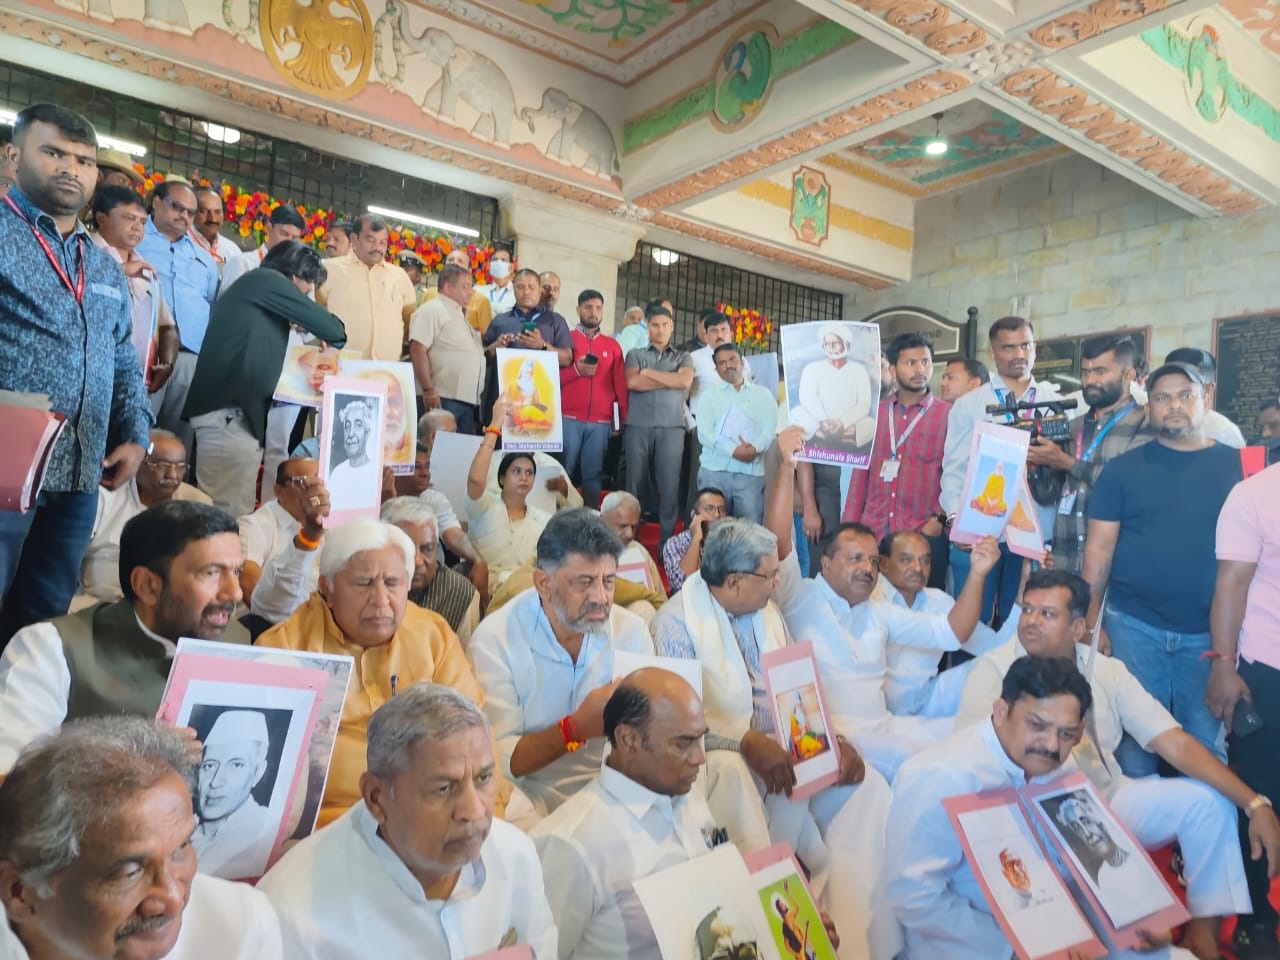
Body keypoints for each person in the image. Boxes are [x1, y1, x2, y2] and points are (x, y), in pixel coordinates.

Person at [957, 570, 1278, 960]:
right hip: (1031, 819)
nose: (1030, 621)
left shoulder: (1107, 670)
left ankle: (1202, 934)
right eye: (1027, 609)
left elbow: (1173, 742)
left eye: (1047, 613)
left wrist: (1255, 803)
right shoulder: (994, 671)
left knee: (1207, 803)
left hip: (1108, 793)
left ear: (1078, 626)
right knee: (1130, 941)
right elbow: (975, 766)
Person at [649, 516, 902, 960]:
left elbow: (796, 691)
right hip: (717, 760)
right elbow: (673, 726)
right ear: (733, 581)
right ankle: (781, 917)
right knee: (736, 777)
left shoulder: (767, 613)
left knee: (869, 789)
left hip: (786, 750)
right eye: (770, 575)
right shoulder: (674, 624)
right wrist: (745, 742)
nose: (779, 583)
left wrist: (832, 741)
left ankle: (863, 941)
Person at [889, 656, 1201, 960]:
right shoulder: (940, 777)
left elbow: (1082, 855)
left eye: (1067, 734)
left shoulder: (1055, 765)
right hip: (977, 944)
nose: (1052, 745)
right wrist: (1014, 950)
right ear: (1000, 711)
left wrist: (1136, 915)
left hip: (1065, 928)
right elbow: (914, 897)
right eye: (1037, 725)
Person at [764, 428, 999, 782]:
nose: (867, 568)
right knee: (918, 761)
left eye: (873, 561)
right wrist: (786, 468)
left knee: (970, 734)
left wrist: (979, 574)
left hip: (886, 726)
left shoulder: (879, 611)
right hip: (834, 737)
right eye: (855, 558)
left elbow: (952, 633)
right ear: (825, 564)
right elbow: (778, 543)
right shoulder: (800, 596)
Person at [0, 103, 153, 642]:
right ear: (13, 157)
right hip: (4, 466)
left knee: (43, 617)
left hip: (78, 469)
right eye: (54, 153)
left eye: (84, 160)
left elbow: (121, 357)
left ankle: (17, 724)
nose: (71, 168)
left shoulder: (103, 262)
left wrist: (135, 432)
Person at [258, 683, 557, 958]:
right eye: (443, 788)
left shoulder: (516, 855)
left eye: (483, 778)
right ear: (376, 798)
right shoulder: (292, 913)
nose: (473, 811)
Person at [256, 519, 492, 826]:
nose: (381, 600)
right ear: (327, 587)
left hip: (434, 813)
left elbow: (475, 732)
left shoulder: (432, 634)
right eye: (365, 583)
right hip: (328, 824)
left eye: (393, 583)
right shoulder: (285, 648)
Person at [0, 717, 284, 959]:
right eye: (129, 873)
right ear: (19, 891)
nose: (173, 898)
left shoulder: (242, 935)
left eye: (181, 848)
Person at [0, 500, 249, 773]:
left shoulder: (238, 642)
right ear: (147, 585)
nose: (234, 593)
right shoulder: (51, 649)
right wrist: (123, 756)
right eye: (211, 572)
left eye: (236, 571)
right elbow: (9, 784)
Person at [1082, 362, 1243, 772]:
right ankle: (1142, 838)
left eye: (1185, 395)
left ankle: (1205, 833)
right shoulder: (1119, 472)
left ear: (1206, 398)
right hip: (1133, 627)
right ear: (1148, 406)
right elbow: (1098, 552)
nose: (1174, 405)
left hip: (1210, 635)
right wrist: (1089, 624)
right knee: (1134, 749)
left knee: (1207, 746)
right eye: (1162, 397)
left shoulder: (1241, 469)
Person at [469, 509, 653, 817]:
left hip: (614, 783)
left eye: (608, 581)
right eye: (584, 582)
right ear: (543, 583)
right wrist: (575, 728)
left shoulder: (632, 631)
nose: (601, 597)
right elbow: (501, 760)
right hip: (530, 793)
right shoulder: (494, 640)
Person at [530, 670, 726, 959]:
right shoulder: (572, 843)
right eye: (683, 744)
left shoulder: (688, 797)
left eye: (700, 740)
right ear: (629, 739)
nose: (700, 757)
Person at [183, 239, 346, 519]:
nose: (308, 293)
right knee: (225, 515)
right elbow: (333, 330)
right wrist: (309, 321)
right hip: (228, 416)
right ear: (295, 276)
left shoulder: (257, 291)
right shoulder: (266, 280)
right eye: (308, 286)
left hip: (233, 417)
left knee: (232, 509)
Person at [941, 316, 1060, 626]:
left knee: (1023, 618)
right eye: (1009, 347)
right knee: (975, 618)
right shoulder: (969, 405)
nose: (1019, 354)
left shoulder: (1055, 402)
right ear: (993, 354)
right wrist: (956, 519)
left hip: (1038, 531)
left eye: (1026, 346)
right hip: (983, 530)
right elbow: (954, 467)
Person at [1208, 460, 1280, 958]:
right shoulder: (1255, 495)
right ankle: (1256, 915)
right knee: (1259, 793)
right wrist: (1224, 664)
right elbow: (1230, 587)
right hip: (1268, 668)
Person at [1025, 334, 1150, 576]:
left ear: (1129, 375)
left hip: (1115, 567)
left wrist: (1066, 462)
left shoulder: (1144, 423)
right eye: (1085, 372)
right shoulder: (1073, 427)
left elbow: (1131, 486)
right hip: (1064, 562)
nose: (1090, 380)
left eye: (1101, 372)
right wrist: (1036, 466)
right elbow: (1049, 495)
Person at [842, 333, 950, 588]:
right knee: (871, 607)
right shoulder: (875, 414)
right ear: (892, 369)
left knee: (921, 613)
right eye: (910, 363)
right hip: (874, 533)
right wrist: (850, 528)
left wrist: (939, 520)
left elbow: (959, 476)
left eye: (925, 362)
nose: (920, 370)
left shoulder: (948, 415)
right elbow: (860, 475)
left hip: (922, 536)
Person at [874, 530, 1010, 720]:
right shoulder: (871, 598)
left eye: (925, 561)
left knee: (990, 667)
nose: (918, 568)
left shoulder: (939, 601)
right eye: (906, 560)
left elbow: (995, 645)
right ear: (883, 564)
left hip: (928, 704)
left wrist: (1023, 596)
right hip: (879, 711)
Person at [73, 429, 211, 608]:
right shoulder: (104, 497)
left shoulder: (198, 503)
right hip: (97, 605)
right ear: (137, 462)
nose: (172, 475)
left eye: (180, 466)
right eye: (161, 465)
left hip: (168, 612)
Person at [137, 178, 221, 451]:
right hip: (147, 355)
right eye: (177, 207)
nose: (184, 215)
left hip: (190, 360)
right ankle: (126, 492)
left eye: (190, 212)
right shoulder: (135, 241)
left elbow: (210, 300)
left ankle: (169, 494)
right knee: (136, 430)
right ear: (157, 203)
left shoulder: (204, 258)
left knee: (178, 441)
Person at [90, 184, 179, 393]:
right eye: (129, 218)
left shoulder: (145, 268)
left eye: (143, 221)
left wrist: (167, 363)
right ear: (102, 218)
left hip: (136, 383)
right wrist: (119, 271)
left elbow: (167, 326)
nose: (138, 227)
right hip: (94, 379)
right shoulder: (83, 254)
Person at [465, 398, 553, 590]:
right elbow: (475, 481)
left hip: (524, 593)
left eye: (529, 473)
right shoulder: (484, 506)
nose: (524, 477)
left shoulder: (543, 520)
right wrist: (495, 426)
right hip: (483, 588)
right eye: (517, 471)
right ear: (502, 478)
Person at [625, 303, 695, 541]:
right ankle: (628, 539)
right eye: (655, 325)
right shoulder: (635, 354)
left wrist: (648, 374)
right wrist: (669, 379)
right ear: (648, 327)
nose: (660, 330)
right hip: (638, 426)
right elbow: (632, 383)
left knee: (669, 488)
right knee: (633, 486)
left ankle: (666, 543)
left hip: (672, 428)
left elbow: (684, 382)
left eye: (665, 325)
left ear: (672, 326)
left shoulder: (683, 356)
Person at [236, 457, 331, 628]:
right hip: (266, 628)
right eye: (304, 483)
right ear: (279, 490)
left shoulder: (330, 521)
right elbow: (249, 585)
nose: (315, 491)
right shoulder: (254, 525)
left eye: (319, 482)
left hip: (317, 627)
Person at [561, 288, 629, 509]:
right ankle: (559, 518)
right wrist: (576, 371)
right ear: (578, 309)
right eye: (588, 307)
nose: (593, 312)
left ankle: (590, 520)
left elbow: (620, 386)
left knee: (593, 476)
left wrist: (619, 422)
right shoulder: (566, 338)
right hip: (567, 417)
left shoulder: (612, 346)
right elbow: (551, 376)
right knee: (563, 472)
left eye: (598, 308)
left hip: (601, 423)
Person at [381, 497, 481, 647]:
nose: (417, 561)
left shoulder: (460, 592)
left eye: (427, 549)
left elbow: (465, 663)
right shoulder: (366, 589)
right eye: (407, 550)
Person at [693, 343, 776, 523]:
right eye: (722, 363)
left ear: (743, 362)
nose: (728, 365)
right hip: (714, 471)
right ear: (716, 370)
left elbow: (770, 430)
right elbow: (705, 434)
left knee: (748, 531)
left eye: (732, 359)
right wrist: (734, 451)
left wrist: (754, 449)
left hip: (750, 474)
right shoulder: (709, 397)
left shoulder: (763, 395)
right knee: (710, 529)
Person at [317, 214, 416, 360]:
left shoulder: (399, 276)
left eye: (382, 242)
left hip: (386, 370)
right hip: (340, 366)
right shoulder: (329, 270)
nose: (377, 248)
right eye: (371, 240)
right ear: (354, 239)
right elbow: (314, 314)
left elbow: (409, 321)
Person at [192, 709, 276, 879]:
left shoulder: (265, 828)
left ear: (258, 773)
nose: (216, 782)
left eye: (236, 765)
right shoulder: (183, 827)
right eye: (209, 765)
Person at [409, 261, 485, 433]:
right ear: (448, 287)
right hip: (442, 399)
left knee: (458, 458)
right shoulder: (432, 310)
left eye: (471, 286)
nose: (471, 291)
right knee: (436, 454)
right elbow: (417, 348)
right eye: (465, 286)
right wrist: (428, 390)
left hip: (466, 402)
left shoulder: (460, 315)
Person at [792, 322, 876, 449]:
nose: (830, 348)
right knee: (796, 414)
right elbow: (807, 398)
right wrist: (822, 421)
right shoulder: (812, 368)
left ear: (846, 344)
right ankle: (833, 437)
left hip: (847, 424)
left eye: (835, 343)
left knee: (871, 424)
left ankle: (829, 438)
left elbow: (863, 404)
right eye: (827, 344)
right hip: (820, 423)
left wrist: (842, 423)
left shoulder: (859, 370)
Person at [485, 267, 573, 366]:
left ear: (539, 291)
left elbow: (567, 359)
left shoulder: (556, 320)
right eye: (520, 287)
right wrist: (495, 347)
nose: (526, 292)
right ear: (513, 289)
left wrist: (542, 345)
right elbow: (482, 359)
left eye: (531, 287)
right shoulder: (500, 320)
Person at [1165, 347, 1246, 448]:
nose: (1176, 404)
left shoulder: (1225, 435)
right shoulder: (1146, 425)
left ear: (1209, 391)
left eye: (1187, 394)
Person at [219, 203, 304, 293]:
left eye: (294, 238)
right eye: (284, 234)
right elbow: (226, 303)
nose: (289, 242)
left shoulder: (298, 272)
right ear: (268, 227)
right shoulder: (243, 264)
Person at [600, 490, 666, 603]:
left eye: (634, 527)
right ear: (603, 521)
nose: (630, 534)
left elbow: (660, 597)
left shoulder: (639, 550)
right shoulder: (586, 553)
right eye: (623, 526)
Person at [662, 486, 727, 594]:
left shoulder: (732, 543)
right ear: (694, 515)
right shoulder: (675, 543)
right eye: (709, 509)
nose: (717, 515)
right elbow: (682, 586)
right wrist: (696, 538)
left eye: (721, 510)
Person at [419, 246, 493, 335]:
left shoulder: (482, 301)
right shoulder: (429, 294)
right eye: (450, 260)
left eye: (460, 261)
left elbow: (485, 337)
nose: (454, 263)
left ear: (469, 271)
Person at [327, 396, 381, 506]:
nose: (351, 433)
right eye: (347, 426)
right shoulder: (337, 473)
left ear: (367, 433)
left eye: (358, 425)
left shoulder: (376, 471)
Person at [190, 184, 240, 268]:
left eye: (217, 211)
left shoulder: (232, 250)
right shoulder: (178, 244)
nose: (212, 218)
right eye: (204, 211)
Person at [474, 243, 515, 315]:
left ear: (511, 267)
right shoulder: (477, 290)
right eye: (495, 260)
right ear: (490, 266)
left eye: (503, 260)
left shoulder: (517, 294)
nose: (499, 263)